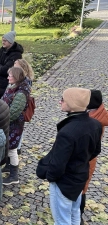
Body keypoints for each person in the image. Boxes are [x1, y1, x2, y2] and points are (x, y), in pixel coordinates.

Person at [37, 88, 101, 225]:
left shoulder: (67, 132)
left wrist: (51, 177)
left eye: (63, 99)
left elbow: (58, 164)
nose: (60, 101)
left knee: (62, 220)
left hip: (63, 183)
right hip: (80, 177)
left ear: (72, 104)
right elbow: (95, 151)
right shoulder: (95, 124)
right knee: (74, 214)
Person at [80, 90, 108, 224]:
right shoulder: (95, 114)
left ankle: (78, 215)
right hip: (87, 158)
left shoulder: (94, 120)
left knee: (81, 189)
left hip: (86, 159)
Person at [1, 67, 31, 185]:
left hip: (14, 126)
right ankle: (9, 167)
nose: (8, 77)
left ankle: (14, 176)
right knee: (9, 148)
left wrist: (2, 119)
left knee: (12, 149)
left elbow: (13, 113)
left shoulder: (21, 93)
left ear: (17, 77)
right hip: (8, 124)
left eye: (10, 76)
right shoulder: (12, 87)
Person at [0, 31, 24, 98]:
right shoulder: (2, 50)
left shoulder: (16, 54)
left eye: (5, 41)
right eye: (2, 40)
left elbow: (5, 70)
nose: (3, 42)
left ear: (10, 41)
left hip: (6, 83)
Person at [13, 58, 34, 155]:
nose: (14, 67)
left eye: (16, 65)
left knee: (19, 127)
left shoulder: (25, 81)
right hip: (19, 105)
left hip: (21, 107)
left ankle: (18, 147)